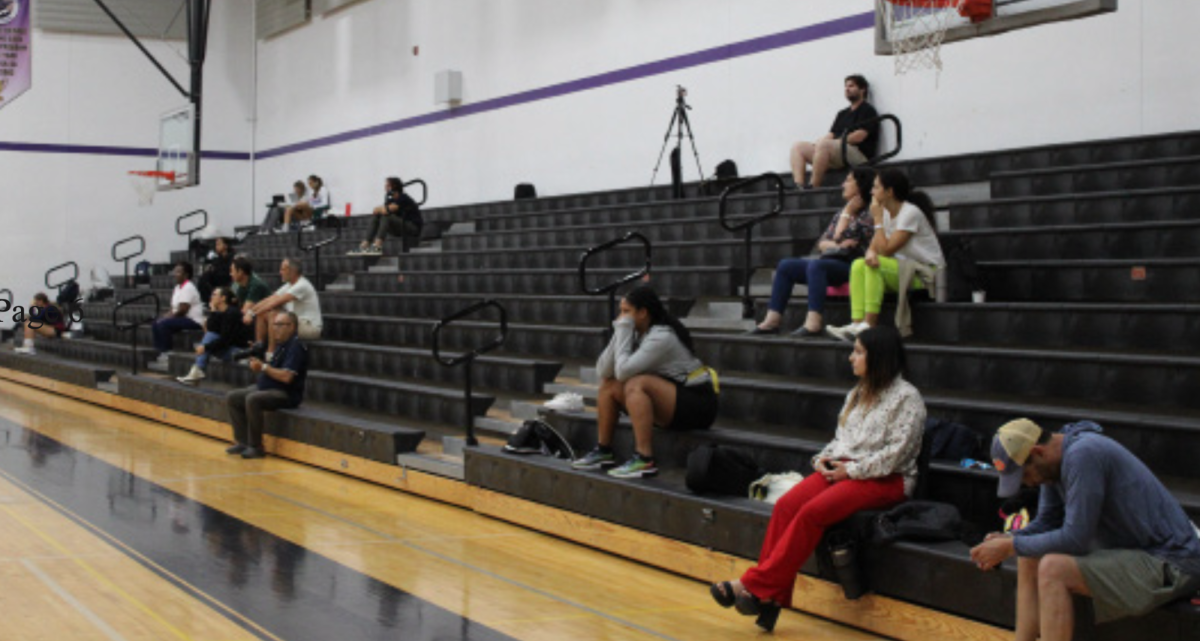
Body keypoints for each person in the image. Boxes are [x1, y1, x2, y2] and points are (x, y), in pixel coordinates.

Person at [709, 326, 924, 632]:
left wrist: (848, 470)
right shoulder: (857, 393)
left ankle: (751, 584)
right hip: (844, 469)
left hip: (887, 479)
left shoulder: (908, 398)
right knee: (786, 505)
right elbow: (840, 440)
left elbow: (896, 456)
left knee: (812, 513)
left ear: (878, 357)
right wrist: (822, 460)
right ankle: (770, 599)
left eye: (859, 352)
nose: (851, 357)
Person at [969, 419, 1200, 641]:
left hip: (1174, 561)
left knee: (1053, 568)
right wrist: (1010, 538)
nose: (1026, 484)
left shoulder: (1084, 455)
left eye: (1024, 475)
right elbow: (1047, 521)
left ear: (1038, 452)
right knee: (1028, 556)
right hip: (1139, 553)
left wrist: (1009, 546)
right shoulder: (1054, 463)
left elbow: (1075, 539)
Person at [572, 285, 719, 479]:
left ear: (642, 313)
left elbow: (623, 372)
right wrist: (620, 333)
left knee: (636, 384)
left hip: (698, 403)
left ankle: (644, 459)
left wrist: (622, 329)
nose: (621, 318)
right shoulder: (635, 331)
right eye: (620, 312)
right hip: (673, 398)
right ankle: (603, 451)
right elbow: (603, 370)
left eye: (626, 312)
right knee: (609, 385)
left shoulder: (662, 337)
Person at [749, 167, 877, 337]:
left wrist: (845, 218)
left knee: (817, 266)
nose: (842, 184)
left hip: (854, 265)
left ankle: (814, 322)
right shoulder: (841, 213)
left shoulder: (870, 213)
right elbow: (822, 244)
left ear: (860, 185)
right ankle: (772, 320)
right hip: (832, 261)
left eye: (848, 180)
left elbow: (839, 238)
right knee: (786, 265)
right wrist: (838, 244)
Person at [827, 168, 945, 341]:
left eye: (876, 187)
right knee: (859, 264)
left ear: (889, 192)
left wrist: (877, 221)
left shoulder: (910, 213)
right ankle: (856, 323)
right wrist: (870, 253)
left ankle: (869, 325)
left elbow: (887, 250)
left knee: (876, 265)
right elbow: (875, 248)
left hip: (925, 273)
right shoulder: (886, 213)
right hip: (903, 269)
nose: (871, 191)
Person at [224, 312, 309, 459]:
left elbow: (286, 377)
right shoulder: (281, 346)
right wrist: (259, 364)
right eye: (274, 324)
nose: (275, 328)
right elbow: (271, 370)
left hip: (286, 393)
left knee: (253, 399)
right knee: (233, 397)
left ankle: (256, 447)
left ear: (292, 327)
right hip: (268, 387)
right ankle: (242, 442)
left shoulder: (296, 347)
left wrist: (263, 367)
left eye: (280, 325)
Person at [790, 75, 879, 189]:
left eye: (851, 86)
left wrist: (834, 142)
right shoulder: (842, 113)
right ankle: (799, 185)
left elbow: (859, 136)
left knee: (825, 145)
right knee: (798, 147)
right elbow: (831, 134)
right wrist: (818, 144)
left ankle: (813, 186)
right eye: (846, 86)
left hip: (859, 155)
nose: (847, 89)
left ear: (862, 89)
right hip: (837, 152)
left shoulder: (868, 110)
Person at [243, 257, 322, 358]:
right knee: (262, 314)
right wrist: (250, 312)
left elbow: (275, 302)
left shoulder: (302, 285)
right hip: (295, 322)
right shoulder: (290, 285)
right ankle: (258, 348)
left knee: (273, 315)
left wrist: (252, 314)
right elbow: (269, 299)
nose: (280, 272)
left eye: (282, 269)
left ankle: (271, 354)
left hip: (310, 327)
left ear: (291, 271)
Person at [177, 287, 251, 385]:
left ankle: (197, 369)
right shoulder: (221, 313)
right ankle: (197, 371)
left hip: (239, 351)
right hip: (229, 348)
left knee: (209, 339)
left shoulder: (232, 313)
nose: (211, 297)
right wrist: (213, 311)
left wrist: (205, 347)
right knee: (210, 336)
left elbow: (225, 340)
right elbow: (211, 328)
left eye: (214, 295)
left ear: (223, 298)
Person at [349, 177, 424, 255]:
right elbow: (375, 211)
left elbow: (386, 210)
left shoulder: (403, 197)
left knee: (386, 215)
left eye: (388, 185)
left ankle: (377, 246)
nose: (385, 187)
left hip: (413, 227)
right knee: (377, 217)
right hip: (401, 227)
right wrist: (381, 209)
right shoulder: (390, 200)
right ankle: (364, 246)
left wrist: (382, 209)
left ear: (394, 187)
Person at [151, 262, 205, 355]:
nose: (175, 274)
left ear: (186, 275)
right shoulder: (177, 287)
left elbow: (183, 310)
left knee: (163, 324)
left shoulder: (188, 287)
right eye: (175, 272)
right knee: (156, 322)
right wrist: (164, 316)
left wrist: (168, 318)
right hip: (181, 318)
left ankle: (166, 351)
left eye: (178, 272)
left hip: (192, 320)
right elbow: (173, 308)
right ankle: (158, 349)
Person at [197, 237, 233, 302]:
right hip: (216, 282)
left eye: (218, 244)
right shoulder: (216, 260)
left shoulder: (232, 258)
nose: (216, 247)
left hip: (227, 281)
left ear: (225, 246)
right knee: (203, 279)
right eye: (216, 245)